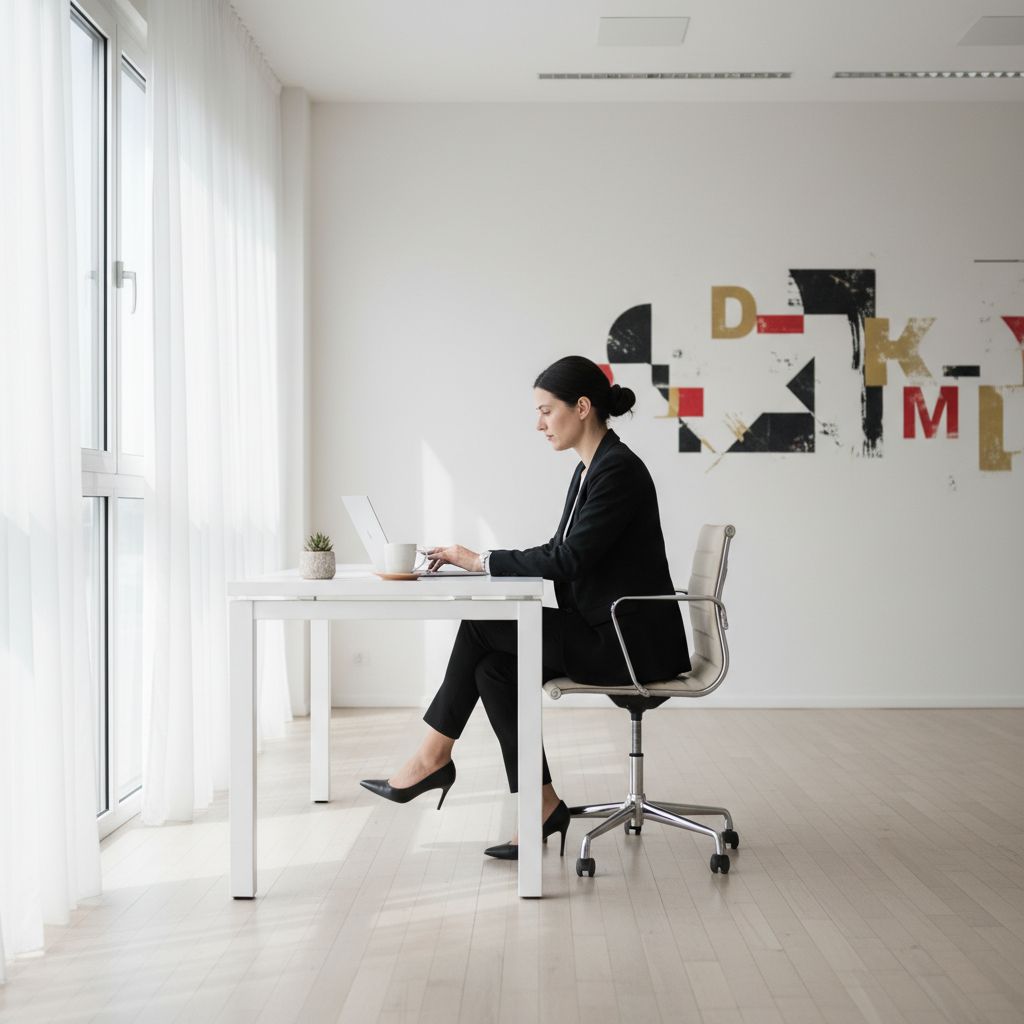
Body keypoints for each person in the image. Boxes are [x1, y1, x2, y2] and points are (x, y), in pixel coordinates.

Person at [360, 355, 689, 859]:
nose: (538, 424)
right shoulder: (590, 470)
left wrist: (480, 560)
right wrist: (481, 561)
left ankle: (433, 756)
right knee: (493, 669)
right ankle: (540, 804)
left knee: (479, 625)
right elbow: (562, 549)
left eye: (545, 410)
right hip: (604, 630)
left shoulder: (617, 471)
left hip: (627, 644)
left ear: (581, 407)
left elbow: (571, 558)